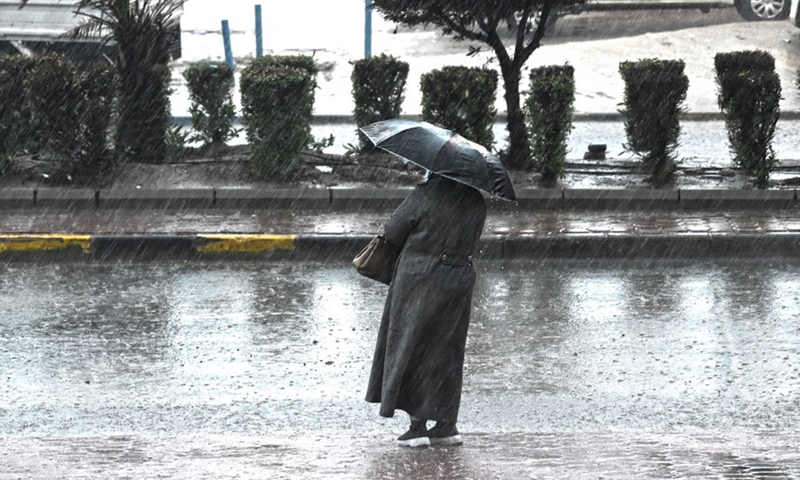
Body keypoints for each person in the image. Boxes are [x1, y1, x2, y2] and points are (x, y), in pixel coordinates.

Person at [365, 172, 487, 448]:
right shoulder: (476, 199)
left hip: (420, 279)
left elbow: (393, 230)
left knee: (413, 346)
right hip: (459, 280)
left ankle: (417, 427)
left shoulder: (425, 194)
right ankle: (447, 425)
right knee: (447, 350)